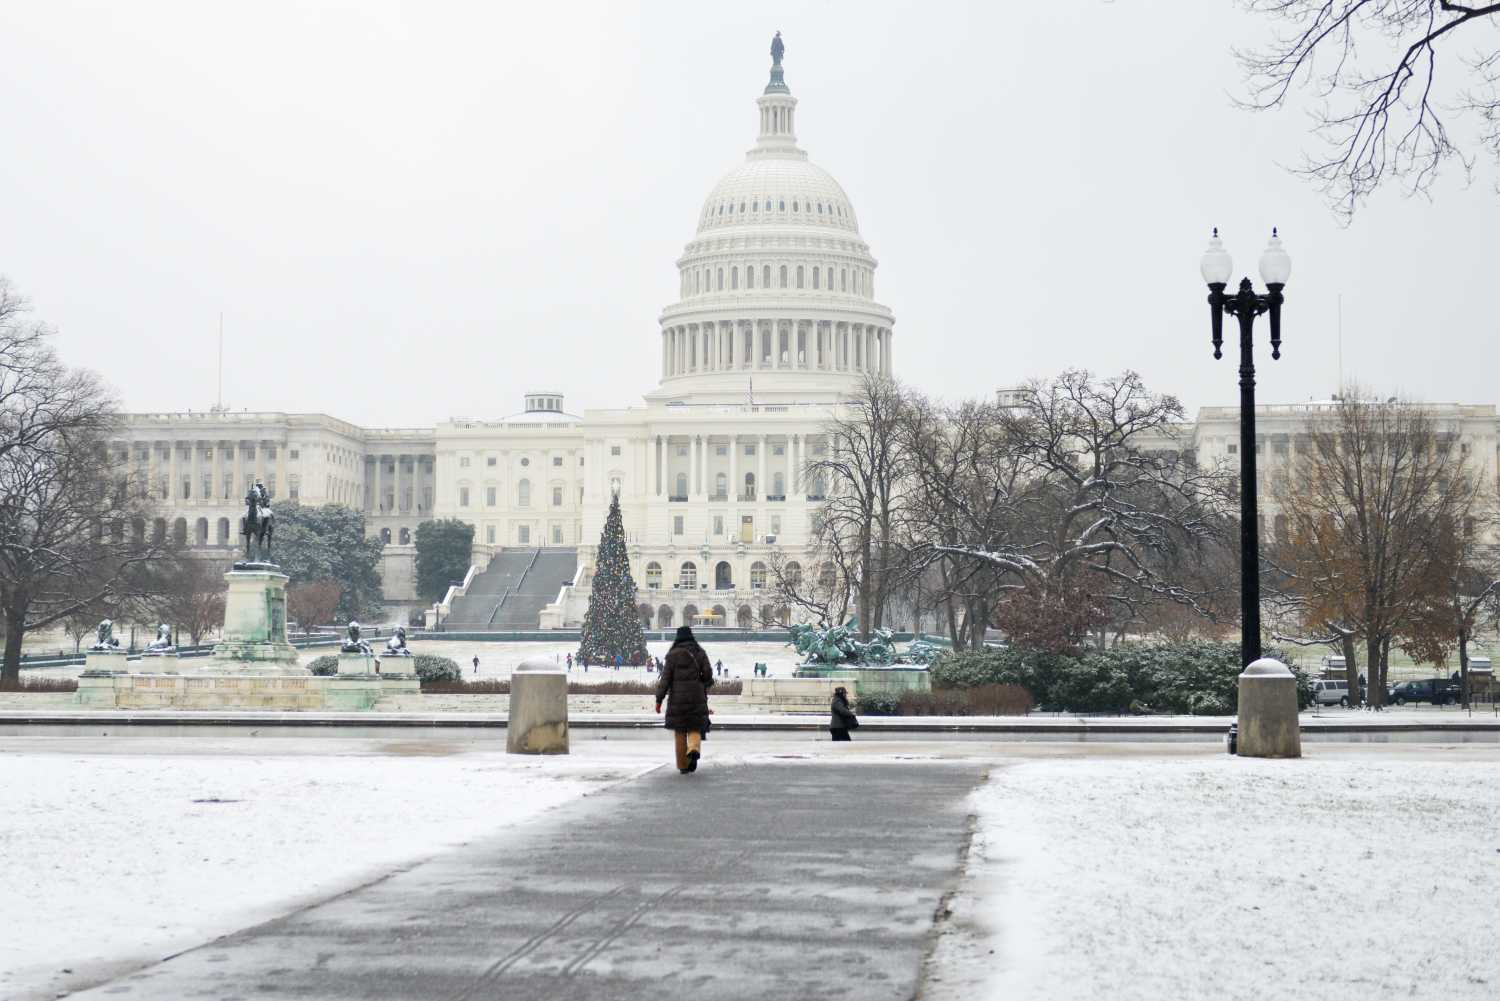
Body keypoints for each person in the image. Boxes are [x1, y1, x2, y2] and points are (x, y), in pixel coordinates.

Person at [655, 625, 714, 774]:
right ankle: (693, 748)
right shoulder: (700, 653)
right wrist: (702, 683)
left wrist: (659, 699)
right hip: (696, 696)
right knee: (694, 727)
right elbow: (708, 674)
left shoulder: (672, 655)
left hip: (677, 699)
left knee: (680, 731)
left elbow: (665, 679)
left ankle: (683, 765)